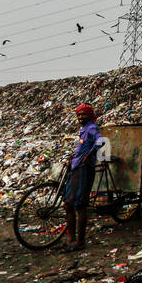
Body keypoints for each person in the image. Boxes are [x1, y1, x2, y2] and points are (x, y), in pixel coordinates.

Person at [63, 103, 100, 251]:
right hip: (76, 167)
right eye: (78, 115)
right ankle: (71, 238)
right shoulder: (84, 129)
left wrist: (89, 155)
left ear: (90, 116)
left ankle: (80, 242)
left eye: (83, 114)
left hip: (85, 169)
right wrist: (74, 156)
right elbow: (83, 146)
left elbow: (100, 141)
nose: (80, 117)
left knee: (80, 206)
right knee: (67, 205)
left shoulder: (92, 128)